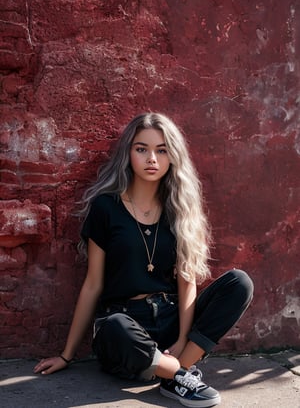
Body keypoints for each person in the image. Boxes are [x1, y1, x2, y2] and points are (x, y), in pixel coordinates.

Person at [34, 112, 254, 407]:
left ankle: (176, 371)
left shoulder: (180, 210)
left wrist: (182, 339)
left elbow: (187, 281)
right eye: (142, 149)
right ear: (128, 153)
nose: (152, 158)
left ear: (172, 156)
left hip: (171, 323)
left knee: (239, 283)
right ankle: (179, 375)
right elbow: (93, 284)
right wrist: (66, 355)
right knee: (111, 325)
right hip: (126, 328)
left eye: (161, 150)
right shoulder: (105, 208)